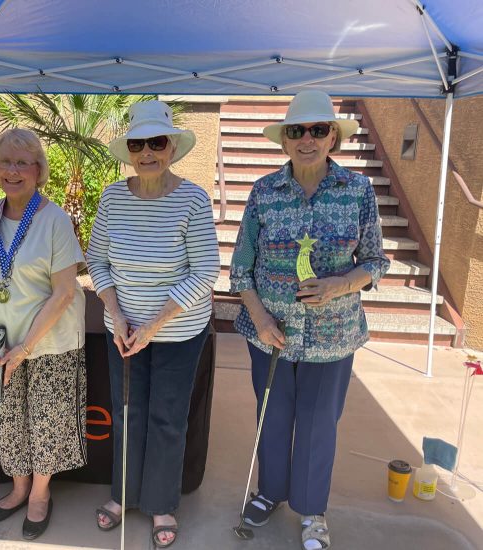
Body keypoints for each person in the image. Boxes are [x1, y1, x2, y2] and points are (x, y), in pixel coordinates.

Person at [229, 90, 390, 550]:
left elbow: (376, 261)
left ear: (333, 137)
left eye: (318, 130)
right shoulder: (264, 191)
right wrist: (259, 318)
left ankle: (312, 508)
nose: (307, 139)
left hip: (332, 336)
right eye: (296, 131)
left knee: (319, 422)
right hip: (270, 334)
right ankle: (271, 492)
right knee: (273, 417)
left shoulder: (358, 190)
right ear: (284, 140)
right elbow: (242, 268)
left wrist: (339, 285)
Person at [86, 101, 221, 548]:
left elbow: (205, 272)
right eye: (137, 143)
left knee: (167, 419)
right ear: (128, 150)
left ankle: (161, 502)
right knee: (128, 413)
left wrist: (155, 324)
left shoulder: (193, 199)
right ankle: (123, 495)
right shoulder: (111, 197)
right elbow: (98, 261)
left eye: (156, 142)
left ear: (171, 147)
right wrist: (120, 315)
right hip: (122, 330)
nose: (147, 152)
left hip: (178, 333)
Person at [0, 128, 87, 541]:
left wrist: (27, 347)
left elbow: (65, 291)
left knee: (46, 423)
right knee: (8, 418)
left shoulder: (54, 220)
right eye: (6, 162)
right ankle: (17, 487)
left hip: (48, 342)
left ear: (38, 171)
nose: (13, 171)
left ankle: (39, 493)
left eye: (23, 163)